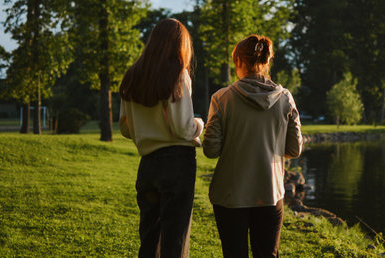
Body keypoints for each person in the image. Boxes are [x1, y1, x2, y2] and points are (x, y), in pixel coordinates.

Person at [203, 34, 303, 258]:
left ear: (238, 61)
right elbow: (294, 149)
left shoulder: (221, 98)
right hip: (270, 192)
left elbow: (211, 150)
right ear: (267, 61)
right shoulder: (285, 98)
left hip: (230, 195)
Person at [119, 18, 204, 258]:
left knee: (149, 239)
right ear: (180, 44)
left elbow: (125, 128)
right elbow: (182, 128)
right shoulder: (178, 74)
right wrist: (199, 123)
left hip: (147, 164)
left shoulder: (132, 75)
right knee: (175, 239)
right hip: (177, 163)